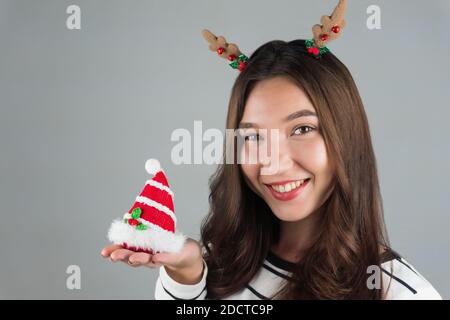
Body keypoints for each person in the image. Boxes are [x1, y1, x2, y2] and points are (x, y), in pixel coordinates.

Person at [101, 0, 442, 300]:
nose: (274, 163)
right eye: (253, 137)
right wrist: (186, 276)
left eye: (302, 129)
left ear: (346, 136)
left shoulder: (401, 294)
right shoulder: (220, 260)